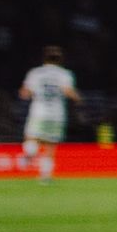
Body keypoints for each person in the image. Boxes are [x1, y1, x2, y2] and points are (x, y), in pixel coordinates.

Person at [16, 47, 75, 178]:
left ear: (44, 58)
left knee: (31, 138)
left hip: (39, 112)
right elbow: (68, 91)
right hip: (57, 114)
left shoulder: (36, 73)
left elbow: (25, 93)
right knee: (50, 145)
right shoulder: (65, 74)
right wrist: (78, 98)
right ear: (60, 60)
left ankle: (30, 153)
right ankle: (45, 176)